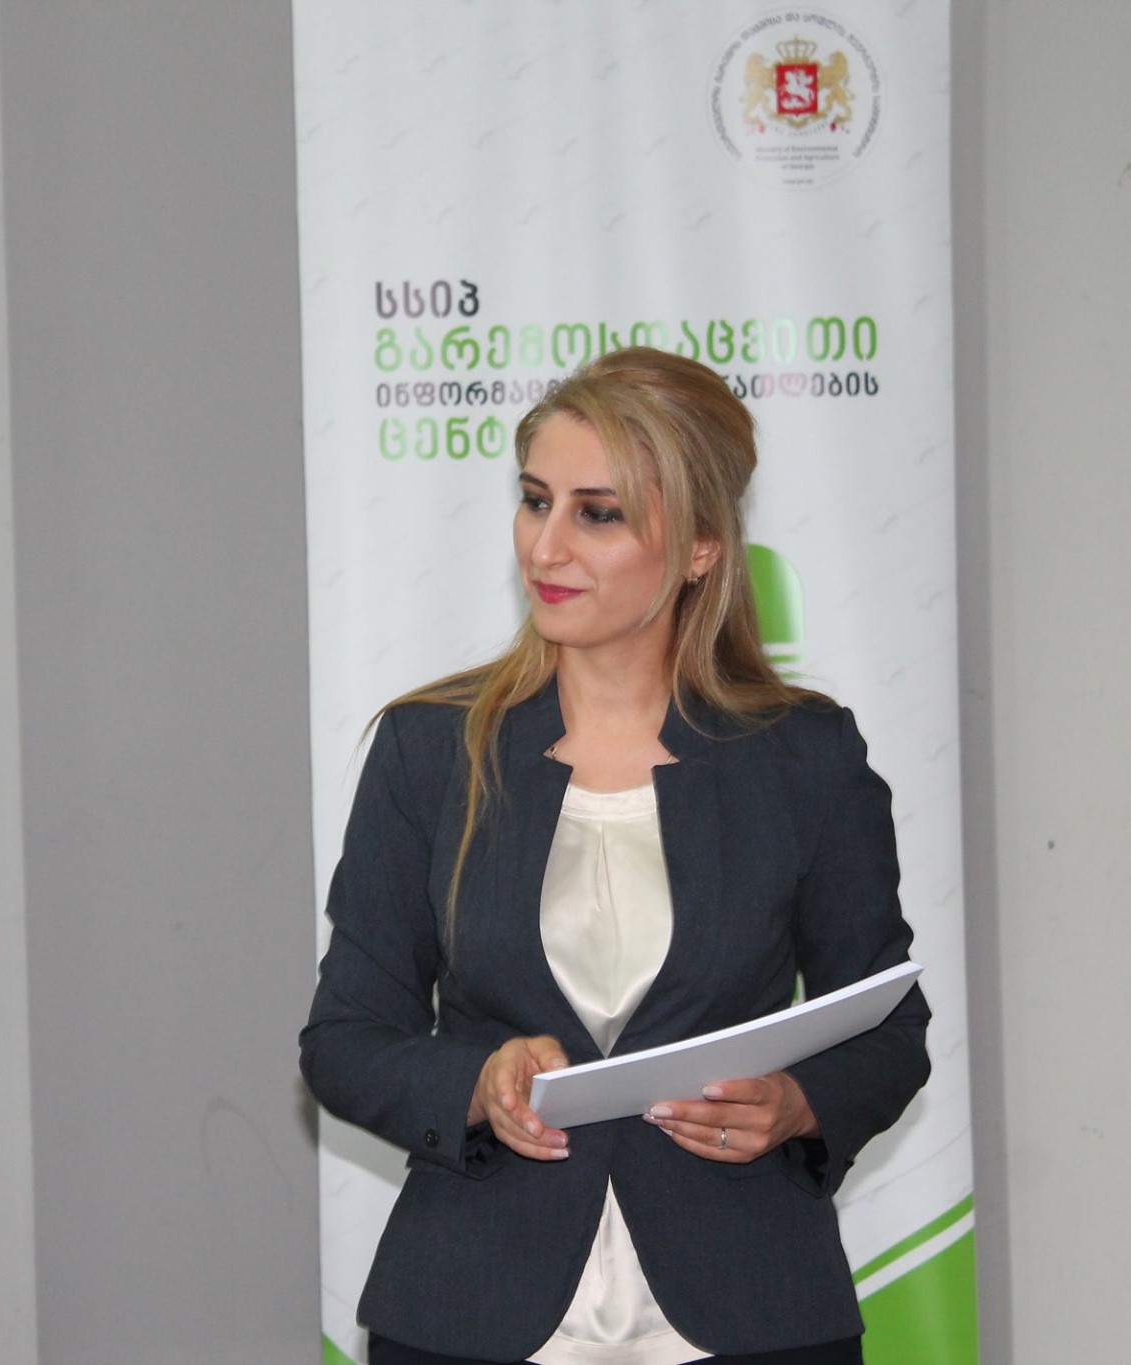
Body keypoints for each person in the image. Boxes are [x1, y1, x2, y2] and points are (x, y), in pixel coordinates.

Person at [299, 349, 930, 1365]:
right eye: (533, 500)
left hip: (752, 1310)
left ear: (699, 548)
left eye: (597, 513)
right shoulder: (430, 748)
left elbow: (888, 1025)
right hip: (470, 1311)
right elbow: (344, 1039)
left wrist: (798, 1102)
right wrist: (476, 1082)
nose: (544, 545)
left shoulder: (802, 756)